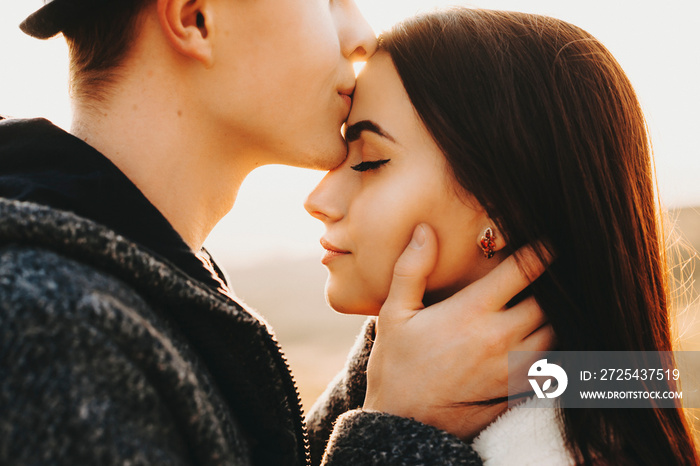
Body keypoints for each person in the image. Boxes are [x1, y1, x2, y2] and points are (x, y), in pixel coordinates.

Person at [0, 1, 553, 464]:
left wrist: (402, 368)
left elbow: (626, 382)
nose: (361, 35)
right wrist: (396, 429)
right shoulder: (45, 324)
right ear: (196, 18)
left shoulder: (134, 288)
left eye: (372, 162)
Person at [304, 8, 699, 466]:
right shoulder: (592, 391)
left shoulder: (554, 454)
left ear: (504, 216)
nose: (319, 197)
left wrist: (392, 432)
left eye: (369, 161)